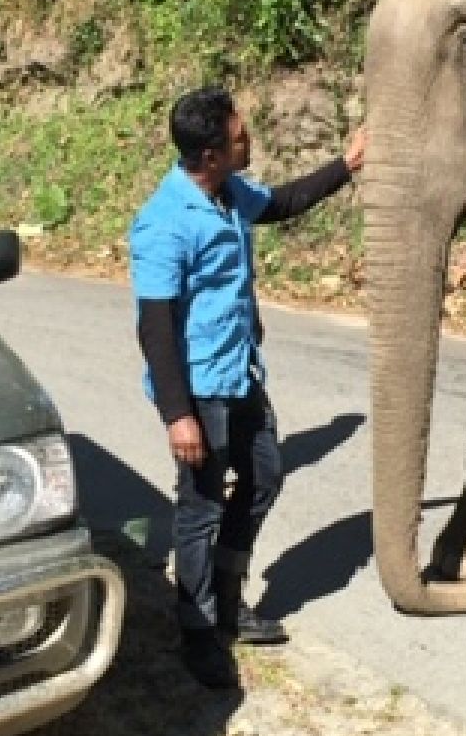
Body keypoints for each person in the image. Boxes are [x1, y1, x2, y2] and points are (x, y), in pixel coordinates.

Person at [129, 86, 367, 689]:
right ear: (211, 153)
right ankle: (199, 627)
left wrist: (347, 165)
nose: (249, 140)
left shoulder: (232, 195)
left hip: (240, 376)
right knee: (201, 506)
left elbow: (285, 202)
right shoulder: (164, 223)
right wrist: (178, 416)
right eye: (239, 136)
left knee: (264, 476)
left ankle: (231, 602)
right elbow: (156, 329)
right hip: (199, 389)